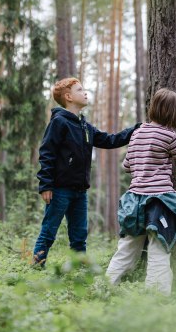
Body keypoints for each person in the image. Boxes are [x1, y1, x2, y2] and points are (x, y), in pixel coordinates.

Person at [33, 77, 139, 267]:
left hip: (80, 191)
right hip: (59, 190)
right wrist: (46, 185)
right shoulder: (59, 122)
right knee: (49, 231)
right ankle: (36, 266)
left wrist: (134, 130)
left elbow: (109, 140)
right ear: (68, 97)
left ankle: (78, 273)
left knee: (79, 236)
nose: (85, 92)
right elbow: (47, 153)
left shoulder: (85, 127)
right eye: (80, 90)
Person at [105, 88, 176, 295]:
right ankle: (157, 297)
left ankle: (105, 288)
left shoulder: (137, 133)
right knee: (159, 249)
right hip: (160, 202)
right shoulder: (169, 136)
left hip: (134, 200)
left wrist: (142, 164)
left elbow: (126, 165)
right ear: (173, 114)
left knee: (126, 248)